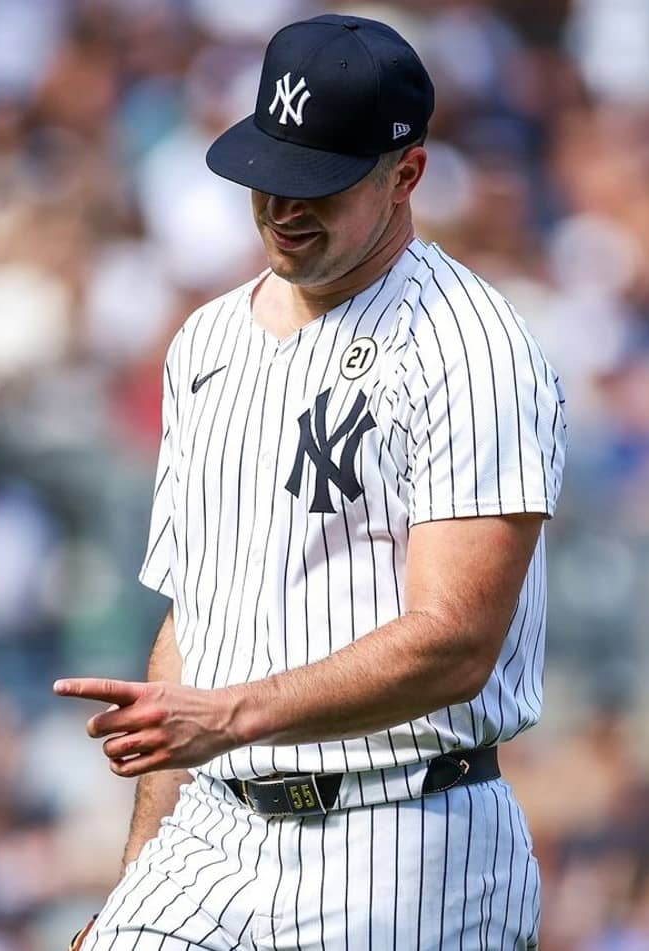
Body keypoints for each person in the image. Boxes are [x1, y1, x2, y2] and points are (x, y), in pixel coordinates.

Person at [55, 13, 566, 950]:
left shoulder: (475, 348)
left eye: (320, 184)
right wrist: (141, 879)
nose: (284, 208)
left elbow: (457, 643)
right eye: (270, 177)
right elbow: (193, 623)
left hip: (405, 844)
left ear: (405, 173)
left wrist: (228, 715)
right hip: (213, 834)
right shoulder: (206, 341)